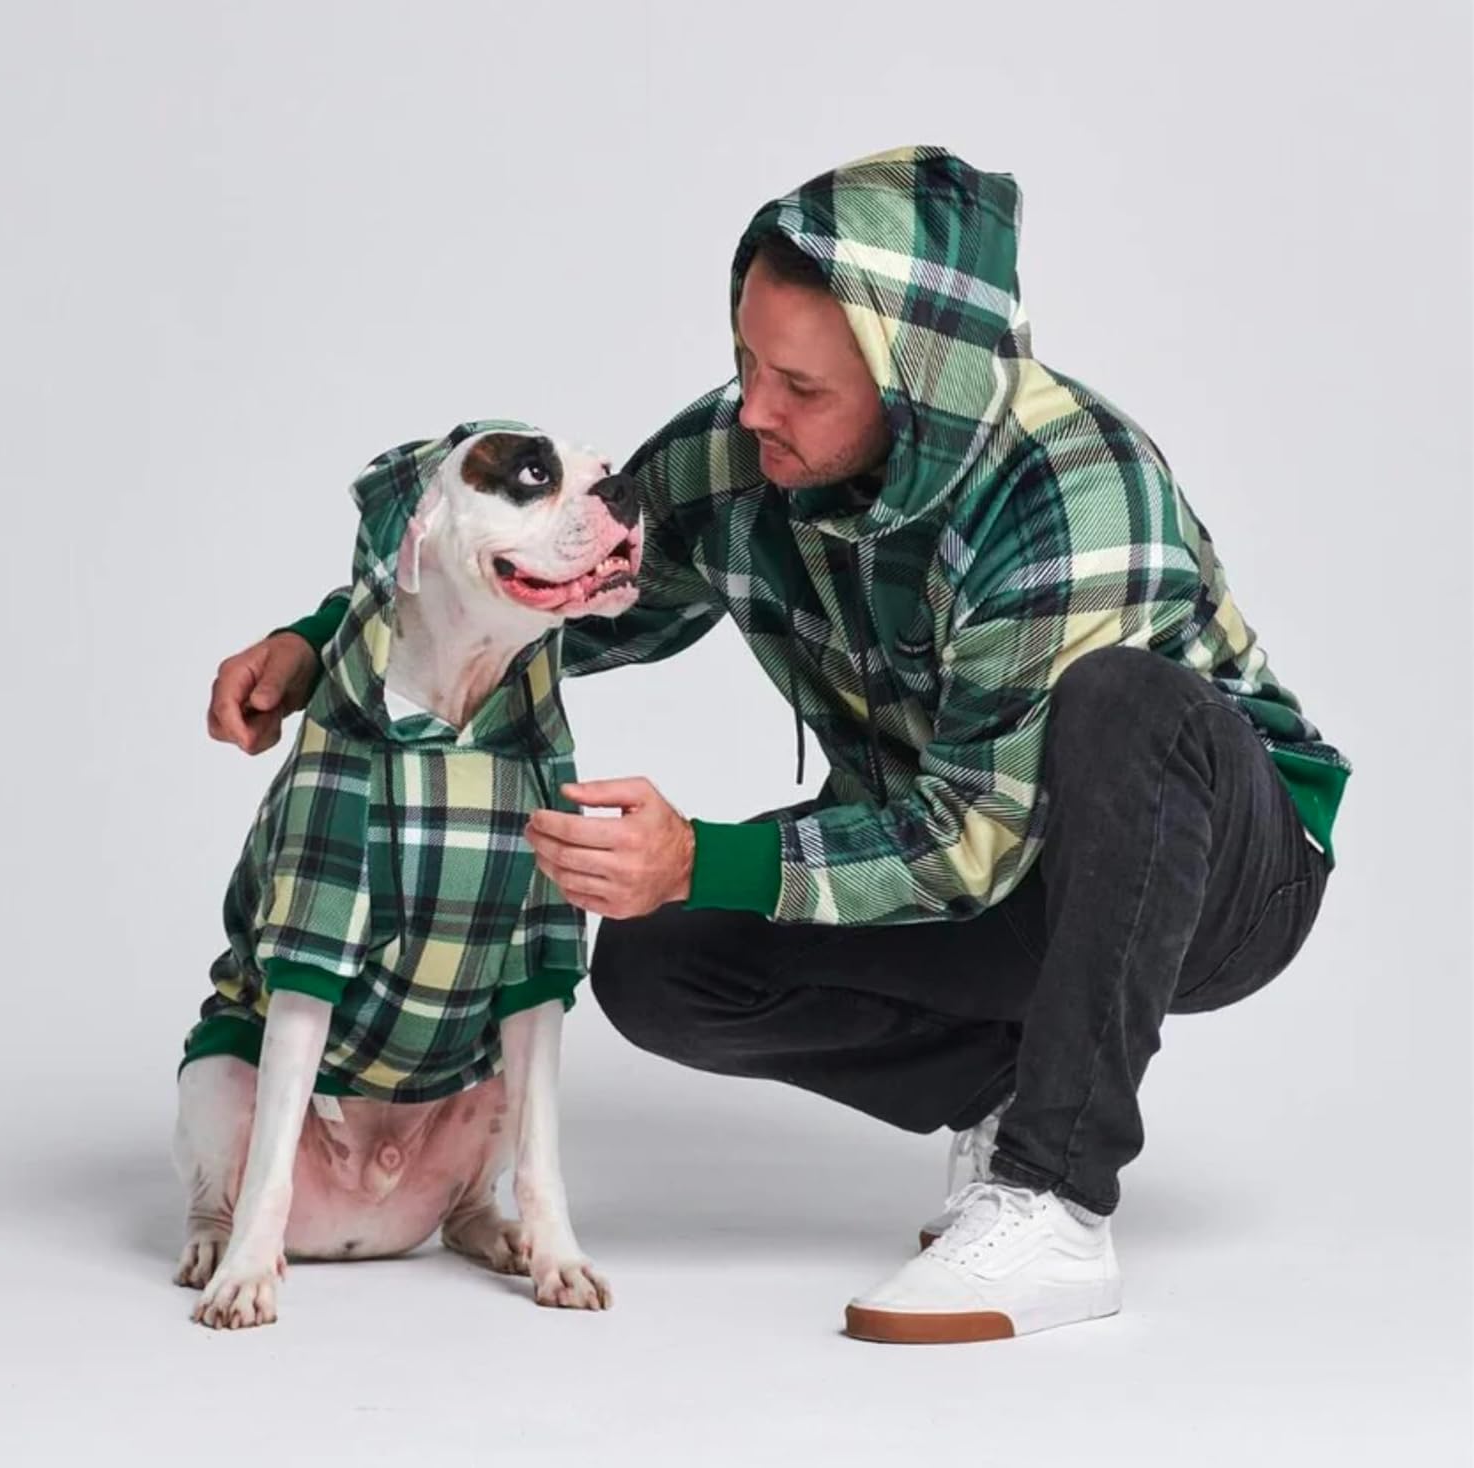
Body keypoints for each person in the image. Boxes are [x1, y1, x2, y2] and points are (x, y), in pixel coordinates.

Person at [208, 146, 1347, 1344]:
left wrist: (703, 852)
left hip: (1216, 877)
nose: (755, 409)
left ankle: (1056, 1196)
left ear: (919, 391)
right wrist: (320, 639)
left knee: (1126, 703)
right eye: (747, 360)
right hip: (986, 874)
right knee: (659, 965)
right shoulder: (739, 453)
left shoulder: (1076, 487)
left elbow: (974, 840)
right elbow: (553, 586)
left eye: (800, 387)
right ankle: (1010, 1091)